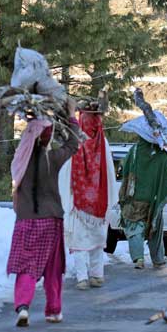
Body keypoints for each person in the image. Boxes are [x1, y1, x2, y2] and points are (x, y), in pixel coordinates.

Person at [6, 99, 79, 327]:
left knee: (26, 266)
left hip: (25, 221)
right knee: (53, 269)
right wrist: (71, 116)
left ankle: (23, 306)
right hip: (51, 221)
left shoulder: (20, 161)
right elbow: (73, 144)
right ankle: (53, 310)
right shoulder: (53, 158)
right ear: (47, 137)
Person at [59, 112, 118, 290]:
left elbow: (65, 171)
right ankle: (97, 275)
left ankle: (82, 278)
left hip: (78, 203)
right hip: (99, 204)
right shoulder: (104, 144)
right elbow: (110, 174)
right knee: (97, 240)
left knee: (80, 242)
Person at [119, 137, 167, 269]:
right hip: (154, 198)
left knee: (134, 227)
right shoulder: (162, 155)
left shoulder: (134, 151)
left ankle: (138, 258)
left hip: (135, 197)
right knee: (155, 227)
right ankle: (158, 259)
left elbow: (124, 170)